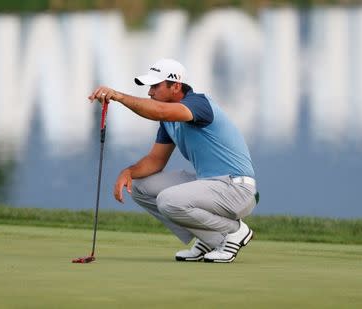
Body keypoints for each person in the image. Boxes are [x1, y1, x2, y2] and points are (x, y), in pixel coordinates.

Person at [88, 58, 257, 263]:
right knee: (141, 187)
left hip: (235, 188)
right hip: (211, 185)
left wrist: (118, 96)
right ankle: (210, 239)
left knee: (168, 200)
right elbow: (155, 161)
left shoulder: (199, 104)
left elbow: (158, 110)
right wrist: (128, 172)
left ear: (176, 86)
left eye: (155, 86)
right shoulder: (169, 121)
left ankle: (234, 231)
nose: (150, 92)